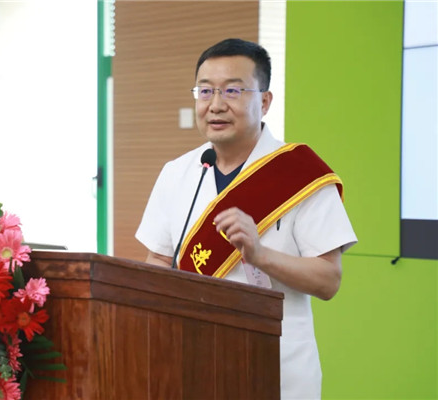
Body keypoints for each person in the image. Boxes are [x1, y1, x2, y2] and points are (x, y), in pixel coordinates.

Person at [135, 38, 357, 399]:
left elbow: (329, 280)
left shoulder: (301, 175)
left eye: (233, 91)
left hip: (276, 367)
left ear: (264, 101)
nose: (216, 105)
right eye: (205, 91)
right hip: (191, 360)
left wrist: (259, 255)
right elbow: (159, 260)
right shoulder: (178, 172)